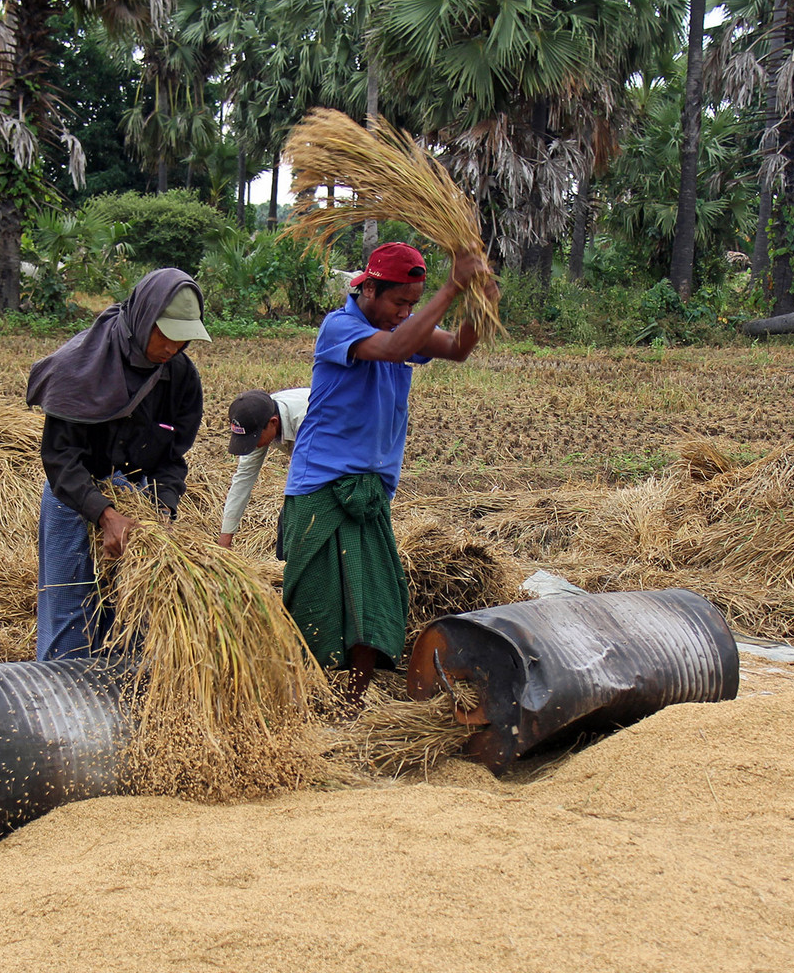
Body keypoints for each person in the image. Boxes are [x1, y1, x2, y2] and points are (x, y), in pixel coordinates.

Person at [280, 241, 492, 695]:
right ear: (370, 289)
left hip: (371, 488)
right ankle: (303, 693)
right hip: (322, 483)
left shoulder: (402, 326)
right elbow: (397, 348)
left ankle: (353, 696)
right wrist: (452, 286)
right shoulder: (340, 326)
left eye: (413, 305)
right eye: (399, 302)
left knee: (370, 598)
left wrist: (479, 305)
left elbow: (456, 348)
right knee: (317, 600)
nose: (405, 313)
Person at [26, 268, 208, 661]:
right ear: (145, 318)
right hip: (75, 497)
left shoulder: (180, 377)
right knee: (70, 611)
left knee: (131, 616)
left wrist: (158, 512)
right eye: (168, 333)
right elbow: (60, 460)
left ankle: (117, 706)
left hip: (137, 500)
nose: (175, 345)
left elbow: (173, 460)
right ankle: (66, 706)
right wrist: (105, 516)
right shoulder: (79, 366)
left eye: (184, 336)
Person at [217, 387, 310, 553]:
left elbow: (309, 479)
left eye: (254, 439)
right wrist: (225, 538)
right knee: (289, 525)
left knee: (301, 524)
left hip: (352, 454)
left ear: (273, 423)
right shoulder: (257, 416)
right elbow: (244, 477)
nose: (252, 445)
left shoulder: (307, 419)